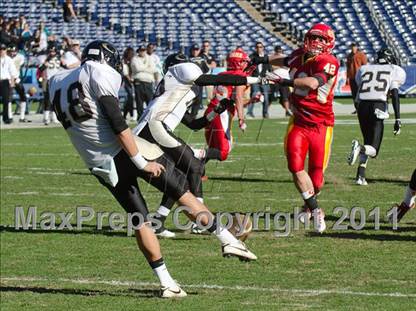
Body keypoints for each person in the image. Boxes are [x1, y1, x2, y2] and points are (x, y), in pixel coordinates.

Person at [49, 40, 257, 297]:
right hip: (127, 150)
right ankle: (228, 240)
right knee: (182, 191)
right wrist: (141, 161)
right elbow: (117, 123)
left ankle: (167, 283)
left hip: (98, 163)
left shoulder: (56, 80)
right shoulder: (101, 72)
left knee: (140, 221)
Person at [133, 52, 261, 237]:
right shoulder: (181, 73)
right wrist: (257, 79)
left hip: (151, 130)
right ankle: (201, 219)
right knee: (195, 165)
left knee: (181, 178)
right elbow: (208, 78)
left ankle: (157, 222)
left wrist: (215, 111)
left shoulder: (173, 94)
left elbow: (194, 124)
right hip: (153, 129)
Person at [267, 23, 340, 233]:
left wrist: (285, 81)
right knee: (295, 166)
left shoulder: (329, 61)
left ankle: (307, 206)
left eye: (322, 39)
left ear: (330, 43)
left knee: (316, 178)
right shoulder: (298, 55)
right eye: (313, 37)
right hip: (298, 123)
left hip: (321, 125)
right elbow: (283, 59)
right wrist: (260, 60)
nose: (316, 42)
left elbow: (313, 83)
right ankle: (316, 211)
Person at [347, 47, 406, 185]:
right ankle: (359, 148)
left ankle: (360, 176)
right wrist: (398, 118)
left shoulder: (364, 69)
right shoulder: (394, 70)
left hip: (361, 107)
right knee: (373, 150)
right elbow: (395, 95)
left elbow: (358, 89)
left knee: (368, 141)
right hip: (377, 106)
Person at [201, 48, 254, 163]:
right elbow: (238, 98)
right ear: (238, 62)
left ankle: (196, 172)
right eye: (244, 61)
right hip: (221, 113)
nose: (247, 64)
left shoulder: (222, 74)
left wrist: (251, 101)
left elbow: (232, 99)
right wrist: (241, 119)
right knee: (223, 152)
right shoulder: (240, 75)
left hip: (211, 110)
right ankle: (193, 154)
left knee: (213, 149)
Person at [247, 42, 272, 118]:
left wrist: (269, 77)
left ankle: (265, 113)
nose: (259, 48)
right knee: (254, 94)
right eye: (257, 47)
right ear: (255, 48)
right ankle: (249, 112)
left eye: (260, 47)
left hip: (264, 78)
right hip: (255, 78)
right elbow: (248, 68)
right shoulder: (252, 57)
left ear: (263, 48)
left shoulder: (267, 57)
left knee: (266, 96)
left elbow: (269, 69)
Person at [131, 45, 156, 118]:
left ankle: (150, 117)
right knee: (139, 102)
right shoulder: (135, 59)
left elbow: (153, 69)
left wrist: (143, 68)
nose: (142, 52)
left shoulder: (150, 58)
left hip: (148, 82)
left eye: (143, 50)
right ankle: (140, 117)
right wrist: (147, 67)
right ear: (138, 51)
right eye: (141, 50)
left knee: (150, 101)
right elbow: (137, 68)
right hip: (139, 82)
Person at [39, 45, 62, 125]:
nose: (52, 53)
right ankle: (46, 117)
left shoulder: (59, 59)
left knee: (56, 99)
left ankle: (54, 117)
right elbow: (40, 69)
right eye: (51, 51)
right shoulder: (45, 59)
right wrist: (44, 64)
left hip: (57, 80)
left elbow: (65, 67)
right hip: (49, 80)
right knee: (48, 99)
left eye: (53, 51)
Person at [8, 44, 30, 122]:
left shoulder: (20, 57)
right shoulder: (7, 58)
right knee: (8, 98)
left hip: (17, 79)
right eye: (11, 51)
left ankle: (22, 116)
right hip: (9, 79)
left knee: (23, 96)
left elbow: (21, 64)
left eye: (14, 51)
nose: (12, 53)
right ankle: (9, 116)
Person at [188, 43, 209, 118]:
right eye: (194, 50)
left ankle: (193, 116)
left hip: (199, 82)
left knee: (198, 99)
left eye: (197, 50)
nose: (195, 51)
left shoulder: (201, 59)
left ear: (199, 50)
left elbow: (207, 69)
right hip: (190, 82)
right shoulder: (187, 59)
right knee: (189, 99)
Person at [270, 46, 292, 117]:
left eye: (280, 51)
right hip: (275, 80)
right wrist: (281, 66)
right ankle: (265, 112)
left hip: (285, 79)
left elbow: (288, 66)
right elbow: (272, 67)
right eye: (278, 51)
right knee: (272, 97)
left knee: (285, 96)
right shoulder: (272, 57)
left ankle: (287, 110)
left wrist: (279, 65)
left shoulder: (285, 57)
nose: (279, 52)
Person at [346, 42, 367, 112]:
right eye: (352, 46)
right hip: (352, 77)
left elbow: (365, 66)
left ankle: (362, 108)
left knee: (361, 94)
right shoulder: (349, 56)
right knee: (354, 94)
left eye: (354, 46)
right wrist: (347, 77)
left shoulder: (361, 55)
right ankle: (357, 108)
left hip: (359, 77)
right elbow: (348, 67)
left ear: (357, 47)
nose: (353, 48)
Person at [1, 43, 18, 124]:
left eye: (3, 50)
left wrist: (12, 82)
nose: (2, 51)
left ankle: (6, 118)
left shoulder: (9, 60)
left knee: (6, 101)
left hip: (5, 81)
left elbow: (12, 72)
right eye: (0, 50)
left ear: (5, 50)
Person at [122, 47, 136, 121]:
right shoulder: (124, 62)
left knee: (130, 99)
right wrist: (130, 79)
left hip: (132, 80)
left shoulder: (133, 61)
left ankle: (128, 114)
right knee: (130, 97)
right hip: (127, 82)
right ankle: (130, 114)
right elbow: (125, 73)